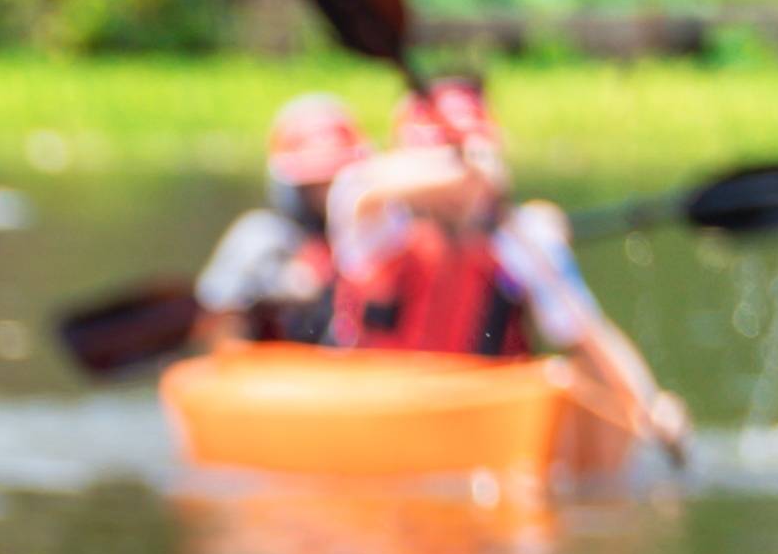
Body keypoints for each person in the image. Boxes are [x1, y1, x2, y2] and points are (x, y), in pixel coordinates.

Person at [327, 74, 694, 449]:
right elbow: (367, 184)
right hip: (375, 416)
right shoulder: (372, 218)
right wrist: (457, 169)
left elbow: (589, 334)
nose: (461, 186)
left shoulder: (520, 239)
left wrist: (650, 404)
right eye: (447, 164)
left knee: (568, 374)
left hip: (477, 417)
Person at [192, 92, 359, 348]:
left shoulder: (372, 239)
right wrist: (283, 289)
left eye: (335, 181)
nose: (327, 195)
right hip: (274, 372)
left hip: (352, 371)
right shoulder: (260, 237)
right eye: (315, 184)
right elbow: (212, 326)